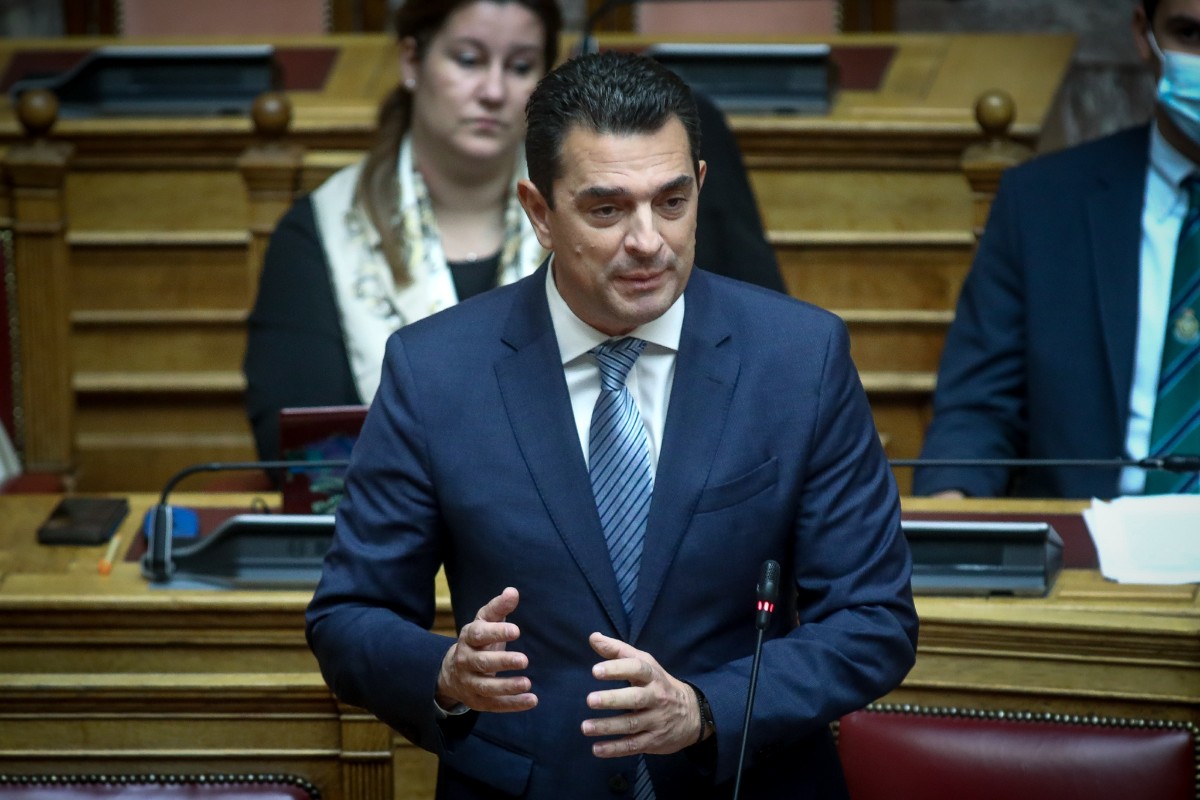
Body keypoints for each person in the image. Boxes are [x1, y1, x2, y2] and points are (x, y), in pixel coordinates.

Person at [306, 50, 917, 799]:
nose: (648, 241)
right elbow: (349, 615)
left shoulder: (799, 358)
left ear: (699, 185)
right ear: (539, 212)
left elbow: (873, 618)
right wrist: (444, 673)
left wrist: (706, 708)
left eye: (671, 202)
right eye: (607, 210)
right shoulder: (436, 371)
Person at [241, 0, 783, 463]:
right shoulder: (324, 226)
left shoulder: (628, 200)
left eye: (521, 66)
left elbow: (756, 370)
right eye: (468, 60)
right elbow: (298, 448)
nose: (494, 91)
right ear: (412, 60)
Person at [914, 0, 1200, 499]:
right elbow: (980, 412)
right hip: (1086, 534)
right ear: (1144, 34)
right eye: (1190, 35)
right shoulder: (1041, 203)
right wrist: (951, 507)